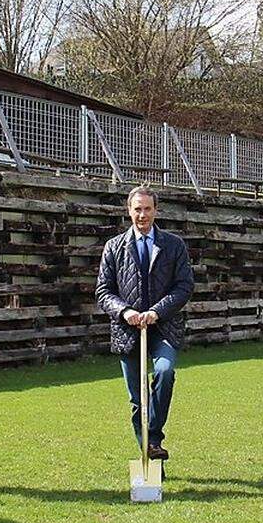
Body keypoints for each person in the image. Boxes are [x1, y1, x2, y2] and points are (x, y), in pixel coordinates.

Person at [95, 185, 194, 460]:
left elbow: (184, 286)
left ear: (156, 210)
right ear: (129, 211)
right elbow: (103, 291)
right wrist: (125, 311)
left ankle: (155, 438)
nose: (142, 215)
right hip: (128, 331)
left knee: (164, 372)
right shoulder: (114, 247)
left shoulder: (174, 245)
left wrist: (157, 312)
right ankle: (148, 449)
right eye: (137, 209)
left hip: (163, 327)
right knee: (138, 400)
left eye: (147, 209)